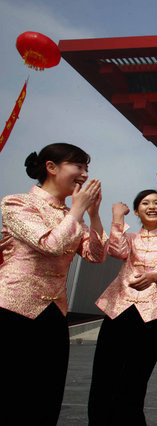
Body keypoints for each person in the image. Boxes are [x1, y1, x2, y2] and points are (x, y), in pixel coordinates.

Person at [0, 143, 107, 425]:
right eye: (79, 166)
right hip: (13, 310)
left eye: (87, 168)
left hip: (54, 311)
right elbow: (50, 243)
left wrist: (93, 214)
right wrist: (77, 211)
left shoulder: (73, 216)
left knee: (47, 396)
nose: (84, 174)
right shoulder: (17, 203)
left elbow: (96, 255)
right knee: (12, 396)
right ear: (51, 167)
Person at [88, 190, 157, 425]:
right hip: (118, 309)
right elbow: (117, 251)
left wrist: (156, 276)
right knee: (104, 375)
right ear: (137, 210)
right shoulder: (129, 237)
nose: (152, 206)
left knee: (136, 378)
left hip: (153, 314)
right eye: (145, 203)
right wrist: (117, 218)